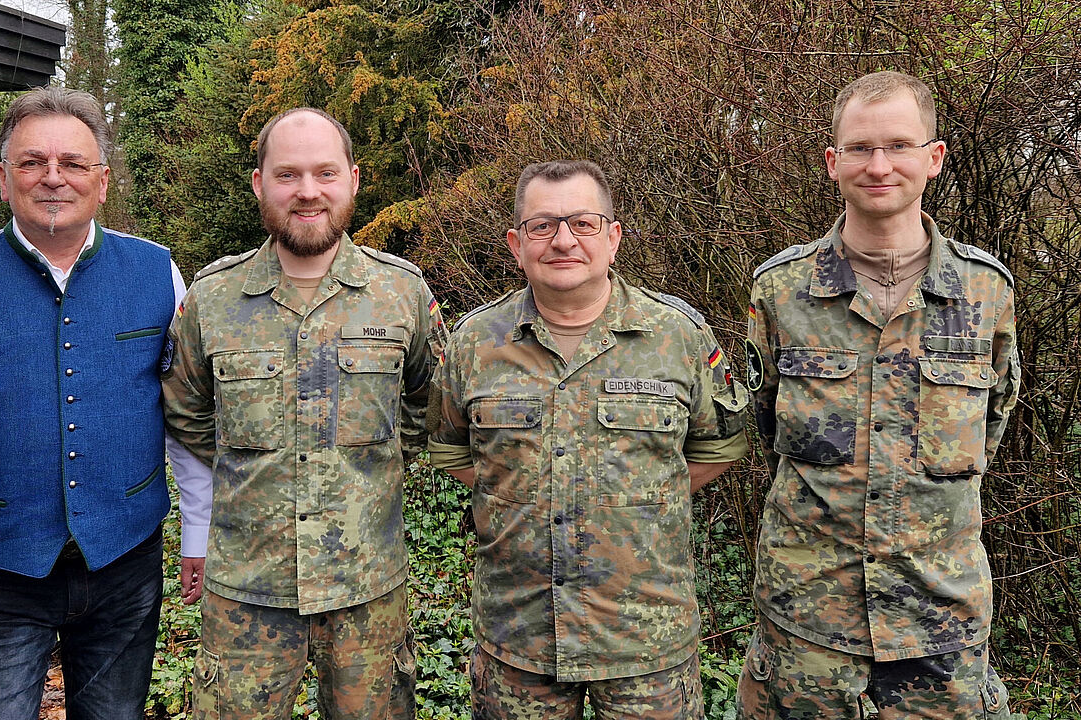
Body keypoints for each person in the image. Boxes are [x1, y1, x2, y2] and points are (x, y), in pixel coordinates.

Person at [0, 86, 212, 720]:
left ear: (102, 182)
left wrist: (200, 528)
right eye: (32, 162)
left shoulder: (158, 273)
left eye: (73, 163)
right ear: (4, 180)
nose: (53, 177)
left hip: (124, 566)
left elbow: (184, 414)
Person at [738, 70, 1020, 719]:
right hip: (808, 619)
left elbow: (992, 424)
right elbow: (765, 421)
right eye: (860, 148)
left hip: (940, 620)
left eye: (898, 145)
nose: (879, 165)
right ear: (832, 162)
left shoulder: (987, 293)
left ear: (934, 158)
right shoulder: (780, 292)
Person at [428, 160, 750, 719]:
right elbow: (450, 445)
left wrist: (646, 497)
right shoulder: (474, 344)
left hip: (645, 639)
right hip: (519, 638)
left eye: (583, 223)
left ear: (613, 237)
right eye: (542, 226)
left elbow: (719, 445)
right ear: (516, 244)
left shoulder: (678, 336)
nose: (563, 241)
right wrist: (524, 491)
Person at [162, 107, 447, 719]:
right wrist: (254, 463)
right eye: (287, 174)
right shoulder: (212, 298)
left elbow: (431, 401)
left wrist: (368, 462)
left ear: (354, 179)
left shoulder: (402, 293)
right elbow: (184, 408)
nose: (308, 191)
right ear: (259, 183)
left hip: (368, 592)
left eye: (325, 172)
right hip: (247, 596)